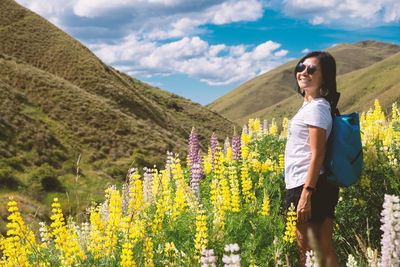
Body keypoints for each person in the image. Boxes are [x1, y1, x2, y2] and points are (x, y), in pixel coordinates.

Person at [284, 51, 340, 266]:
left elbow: (318, 154)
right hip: (309, 184)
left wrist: (306, 195)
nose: (304, 72)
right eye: (301, 67)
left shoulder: (317, 107)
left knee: (309, 253)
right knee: (320, 251)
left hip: (308, 186)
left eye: (312, 69)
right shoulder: (311, 106)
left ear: (324, 77)